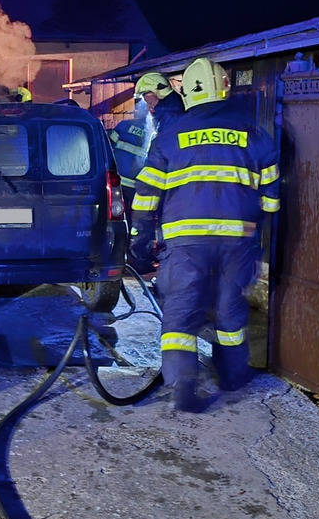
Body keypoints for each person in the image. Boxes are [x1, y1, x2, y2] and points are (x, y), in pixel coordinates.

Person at [128, 57, 280, 412]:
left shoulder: (169, 135)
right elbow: (272, 202)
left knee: (181, 311)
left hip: (184, 245)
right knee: (229, 310)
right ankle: (231, 375)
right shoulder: (255, 134)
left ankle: (183, 386)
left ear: (188, 91)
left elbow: (147, 197)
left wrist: (138, 242)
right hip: (237, 242)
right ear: (224, 87)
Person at [108, 71, 184, 213]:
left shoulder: (169, 115)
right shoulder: (168, 113)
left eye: (147, 99)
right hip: (136, 183)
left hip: (139, 184)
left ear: (156, 92)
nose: (148, 105)